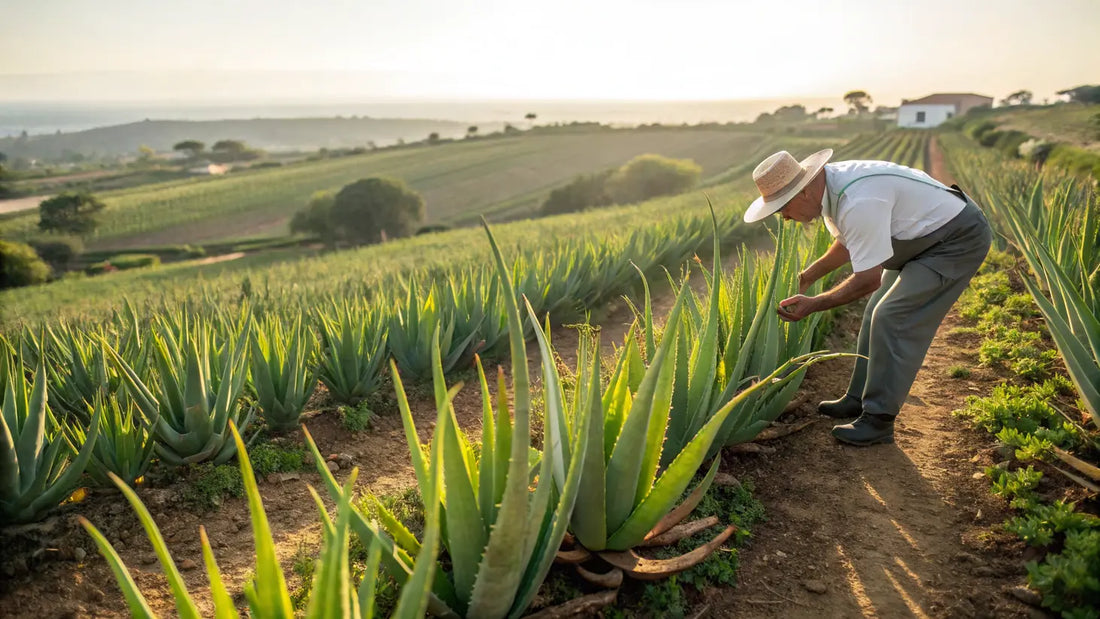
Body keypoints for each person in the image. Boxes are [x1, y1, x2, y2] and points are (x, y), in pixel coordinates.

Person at [742, 148, 992, 446]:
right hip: (918, 239)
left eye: (783, 207)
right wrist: (808, 276)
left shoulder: (858, 200)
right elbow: (849, 243)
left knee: (892, 317)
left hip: (954, 241)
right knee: (874, 312)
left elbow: (867, 280)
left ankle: (878, 420)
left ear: (804, 192)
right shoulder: (831, 187)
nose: (784, 217)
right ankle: (857, 398)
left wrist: (814, 305)